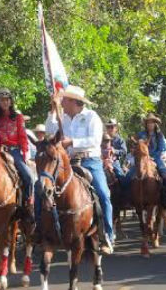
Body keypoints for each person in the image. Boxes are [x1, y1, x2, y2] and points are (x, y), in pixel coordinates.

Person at [42, 85, 115, 253]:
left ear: (74, 102)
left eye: (64, 100)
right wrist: (53, 110)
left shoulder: (91, 117)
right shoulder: (63, 118)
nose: (62, 103)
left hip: (90, 161)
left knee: (103, 194)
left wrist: (72, 142)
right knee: (45, 188)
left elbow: (95, 140)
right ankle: (44, 230)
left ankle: (107, 236)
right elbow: (49, 130)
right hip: (68, 163)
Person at [0, 88, 35, 221]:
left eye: (7, 99)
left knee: (29, 176)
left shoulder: (18, 117)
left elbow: (23, 136)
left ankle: (27, 205)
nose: (5, 102)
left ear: (10, 101)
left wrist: (24, 153)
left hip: (14, 151)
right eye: (2, 100)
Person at [115, 113, 166, 187]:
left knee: (165, 175)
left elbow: (162, 149)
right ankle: (125, 195)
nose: (150, 124)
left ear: (155, 124)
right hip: (142, 158)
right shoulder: (140, 134)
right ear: (146, 124)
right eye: (148, 123)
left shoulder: (159, 135)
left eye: (152, 122)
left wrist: (152, 157)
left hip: (156, 158)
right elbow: (135, 144)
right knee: (128, 176)